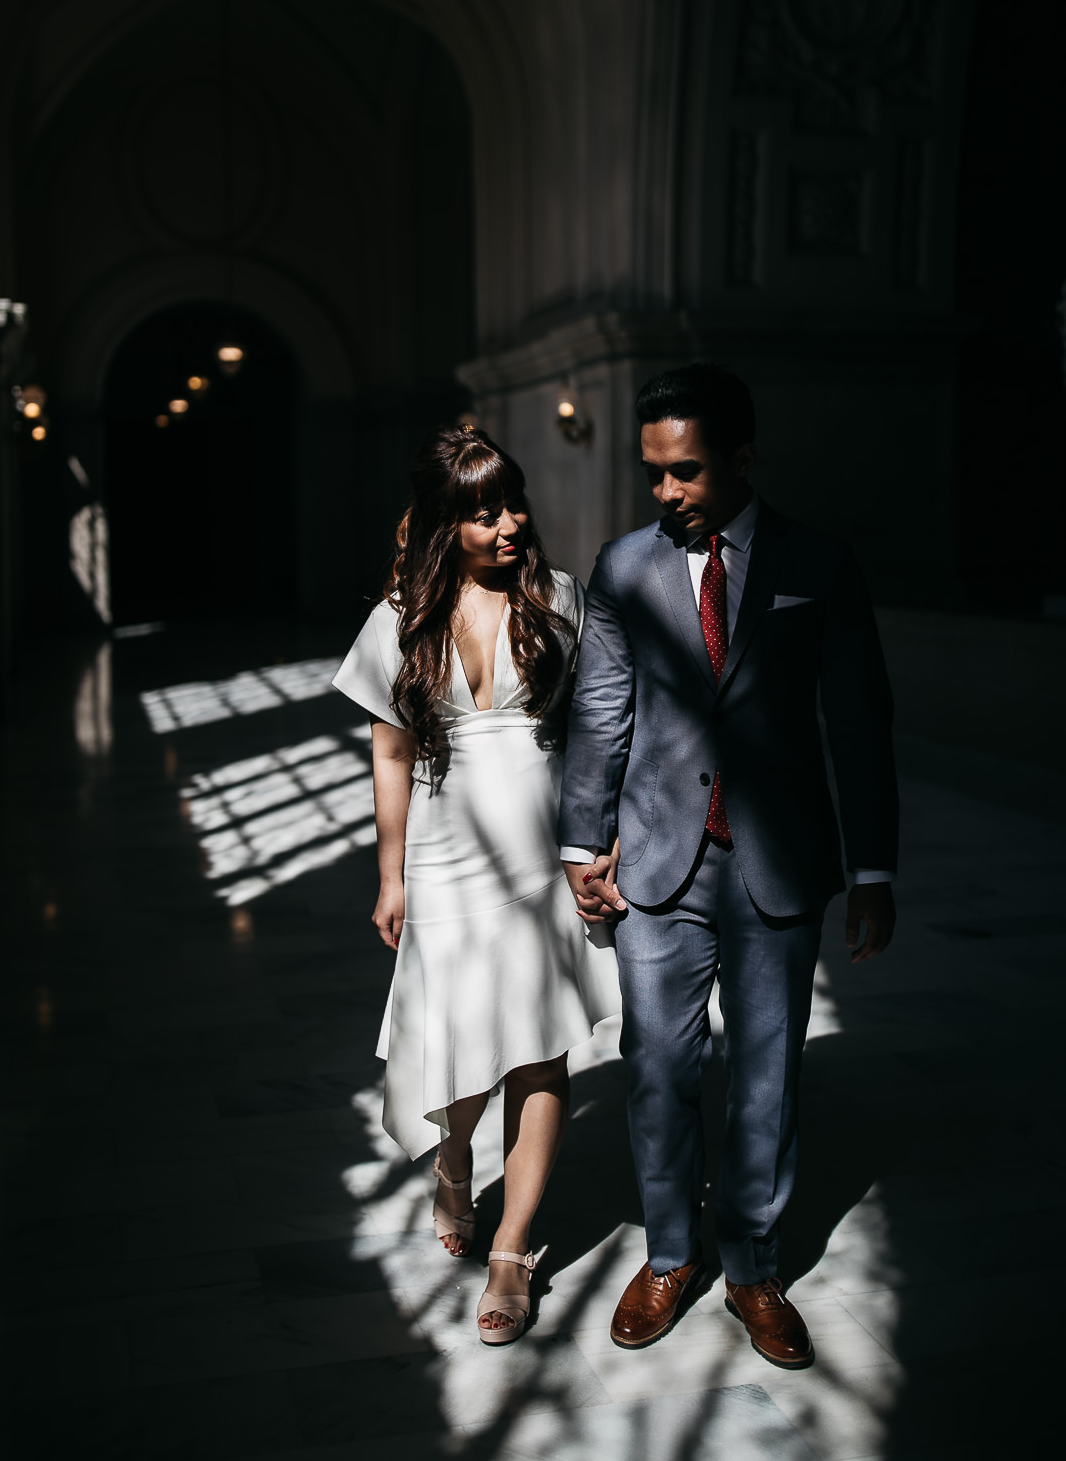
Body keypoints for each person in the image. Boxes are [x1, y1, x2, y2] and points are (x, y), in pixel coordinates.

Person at [559, 363, 897, 1367]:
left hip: (776, 863)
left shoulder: (818, 562)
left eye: (688, 471)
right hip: (658, 862)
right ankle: (671, 1255)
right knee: (659, 1070)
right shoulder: (624, 567)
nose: (666, 491)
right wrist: (582, 841)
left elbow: (859, 720)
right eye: (653, 473)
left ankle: (753, 1266)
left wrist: (873, 867)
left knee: (767, 1079)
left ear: (743, 458)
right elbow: (601, 708)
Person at [333, 425, 619, 1345]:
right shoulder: (401, 617)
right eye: (484, 512)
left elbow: (600, 726)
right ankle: (453, 1165)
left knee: (540, 1053)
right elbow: (389, 752)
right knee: (455, 1050)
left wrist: (599, 839)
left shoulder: (558, 598)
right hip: (446, 857)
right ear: (443, 522)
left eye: (512, 504)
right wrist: (390, 874)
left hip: (539, 856)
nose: (509, 525)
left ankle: (512, 1251)